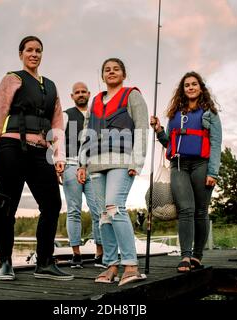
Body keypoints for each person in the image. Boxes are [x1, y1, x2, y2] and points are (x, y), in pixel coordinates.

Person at [0, 35, 73, 281]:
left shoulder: (51, 86)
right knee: (7, 206)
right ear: (21, 54)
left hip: (41, 151)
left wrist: (59, 155)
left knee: (52, 204)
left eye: (38, 50)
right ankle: (5, 262)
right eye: (29, 50)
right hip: (10, 148)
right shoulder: (12, 79)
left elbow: (58, 125)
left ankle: (44, 263)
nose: (34, 54)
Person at [77, 58, 149, 286]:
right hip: (96, 165)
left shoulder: (132, 96)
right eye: (107, 70)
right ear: (102, 76)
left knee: (114, 207)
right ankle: (110, 265)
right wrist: (81, 164)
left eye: (116, 69)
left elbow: (141, 129)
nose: (111, 72)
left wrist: (136, 163)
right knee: (102, 216)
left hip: (121, 161)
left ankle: (131, 264)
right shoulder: (95, 101)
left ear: (124, 74)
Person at [150, 71, 222, 272]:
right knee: (186, 209)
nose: (190, 87)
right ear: (183, 90)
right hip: (179, 166)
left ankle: (197, 256)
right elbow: (169, 144)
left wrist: (213, 173)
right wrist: (159, 131)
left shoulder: (210, 114)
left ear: (201, 88)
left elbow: (216, 144)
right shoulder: (175, 114)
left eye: (194, 84)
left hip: (202, 165)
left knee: (201, 211)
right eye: (187, 85)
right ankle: (185, 256)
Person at [62, 82, 105, 269]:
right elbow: (57, 142)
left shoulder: (97, 116)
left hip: (93, 167)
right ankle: (76, 254)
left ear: (89, 94)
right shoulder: (65, 115)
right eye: (76, 92)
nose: (80, 94)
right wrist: (59, 164)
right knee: (73, 210)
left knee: (98, 210)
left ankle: (100, 253)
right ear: (72, 96)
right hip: (71, 165)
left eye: (83, 92)